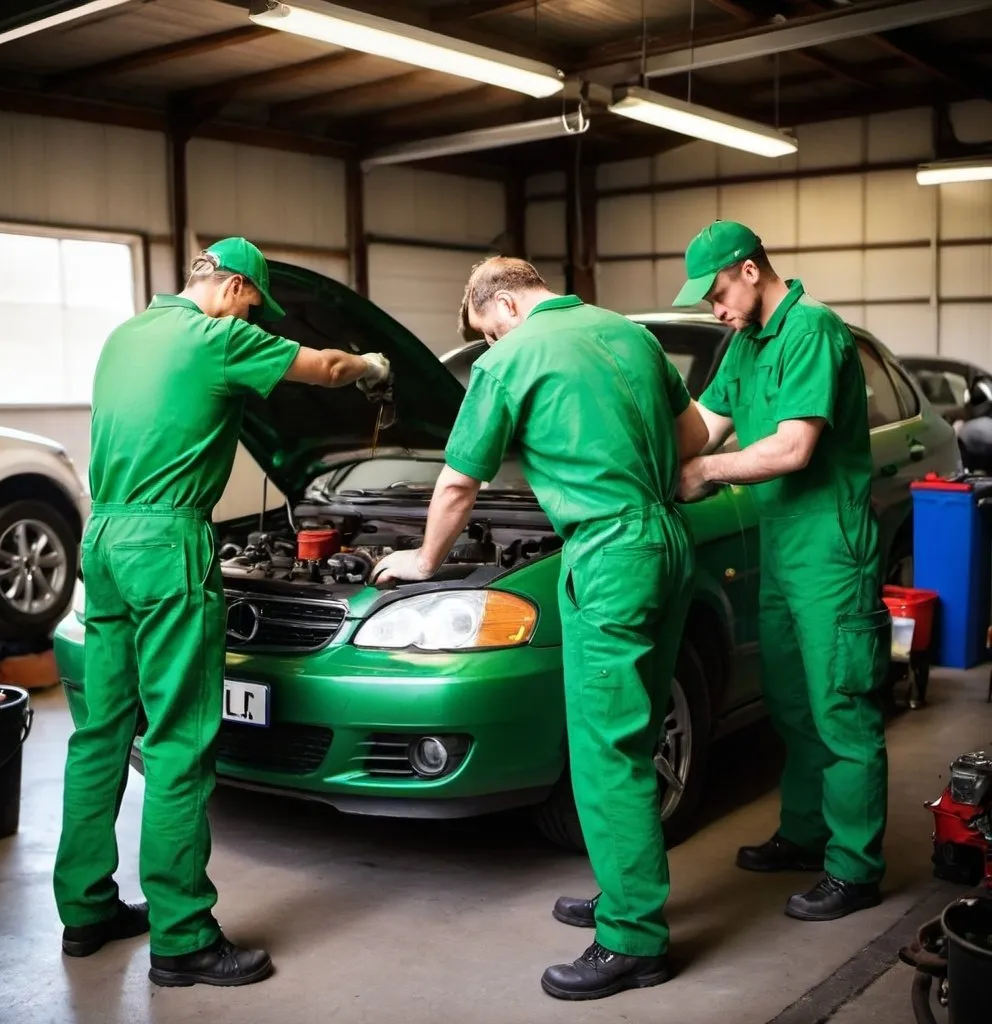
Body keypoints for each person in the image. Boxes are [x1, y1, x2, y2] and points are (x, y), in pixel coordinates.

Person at [54, 237, 392, 987]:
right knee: (179, 739)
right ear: (233, 286)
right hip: (166, 544)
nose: (253, 317)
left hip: (104, 539)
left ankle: (85, 911)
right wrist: (372, 366)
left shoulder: (127, 334)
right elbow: (326, 367)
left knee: (101, 732)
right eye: (253, 303)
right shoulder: (216, 337)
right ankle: (182, 938)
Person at [370, 256, 707, 1001]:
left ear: (506, 308)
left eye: (489, 332)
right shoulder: (630, 334)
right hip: (668, 540)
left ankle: (633, 941)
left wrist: (425, 560)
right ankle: (629, 891)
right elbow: (690, 437)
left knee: (604, 747)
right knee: (640, 728)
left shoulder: (513, 357)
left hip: (608, 553)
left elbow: (460, 481)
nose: (491, 346)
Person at [674, 220, 890, 922]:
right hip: (781, 549)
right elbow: (703, 426)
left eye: (714, 294)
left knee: (840, 707)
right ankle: (804, 834)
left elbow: (794, 447)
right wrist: (635, 409)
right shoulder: (744, 345)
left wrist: (704, 470)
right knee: (792, 703)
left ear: (746, 269)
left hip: (831, 550)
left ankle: (856, 869)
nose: (714, 310)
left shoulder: (813, 332)